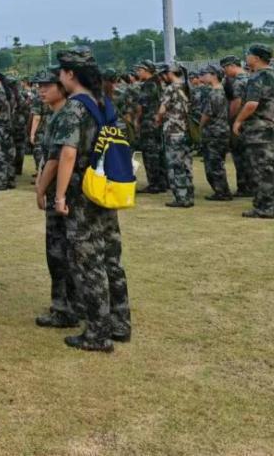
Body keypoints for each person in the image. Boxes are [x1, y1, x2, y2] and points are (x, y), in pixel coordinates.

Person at [51, 47, 131, 352]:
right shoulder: (104, 103)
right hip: (105, 185)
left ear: (70, 74)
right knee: (111, 258)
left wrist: (59, 195)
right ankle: (120, 323)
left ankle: (98, 333)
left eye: (61, 72)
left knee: (88, 262)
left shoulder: (74, 108)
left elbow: (68, 153)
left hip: (82, 190)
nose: (60, 77)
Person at [32, 67, 79, 328]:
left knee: (58, 252)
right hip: (64, 191)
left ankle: (64, 309)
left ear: (62, 87)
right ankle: (72, 304)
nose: (41, 90)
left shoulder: (64, 116)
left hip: (62, 192)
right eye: (39, 86)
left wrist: (41, 189)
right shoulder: (58, 115)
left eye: (47, 85)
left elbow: (56, 159)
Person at [233, 44, 274, 219]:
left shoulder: (257, 77)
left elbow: (252, 104)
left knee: (261, 170)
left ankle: (264, 207)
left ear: (256, 58)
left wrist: (238, 120)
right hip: (272, 127)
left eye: (249, 54)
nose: (246, 57)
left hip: (258, 130)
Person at [156, 64, 195, 208]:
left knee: (175, 165)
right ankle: (189, 195)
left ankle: (181, 197)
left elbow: (162, 109)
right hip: (186, 131)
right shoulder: (188, 87)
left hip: (173, 132)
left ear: (170, 74)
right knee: (186, 164)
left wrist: (158, 119)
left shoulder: (171, 88)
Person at [198, 65, 234, 200]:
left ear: (213, 75)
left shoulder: (214, 93)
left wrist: (200, 127)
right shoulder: (222, 91)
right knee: (218, 162)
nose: (203, 76)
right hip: (222, 130)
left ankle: (222, 192)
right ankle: (222, 190)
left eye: (205, 74)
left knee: (214, 164)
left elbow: (207, 114)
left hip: (214, 132)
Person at [220, 55, 254, 197]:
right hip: (250, 123)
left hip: (239, 123)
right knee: (249, 156)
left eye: (225, 68)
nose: (224, 72)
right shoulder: (251, 78)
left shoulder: (238, 82)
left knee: (240, 156)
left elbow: (236, 103)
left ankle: (244, 187)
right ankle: (251, 186)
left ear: (232, 66)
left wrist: (230, 119)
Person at [134, 60, 168, 193]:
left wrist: (137, 121)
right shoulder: (159, 83)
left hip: (148, 122)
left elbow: (141, 106)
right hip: (158, 122)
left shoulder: (148, 85)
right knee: (159, 152)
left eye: (140, 70)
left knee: (150, 154)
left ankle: (154, 184)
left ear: (146, 70)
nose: (138, 72)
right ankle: (163, 182)